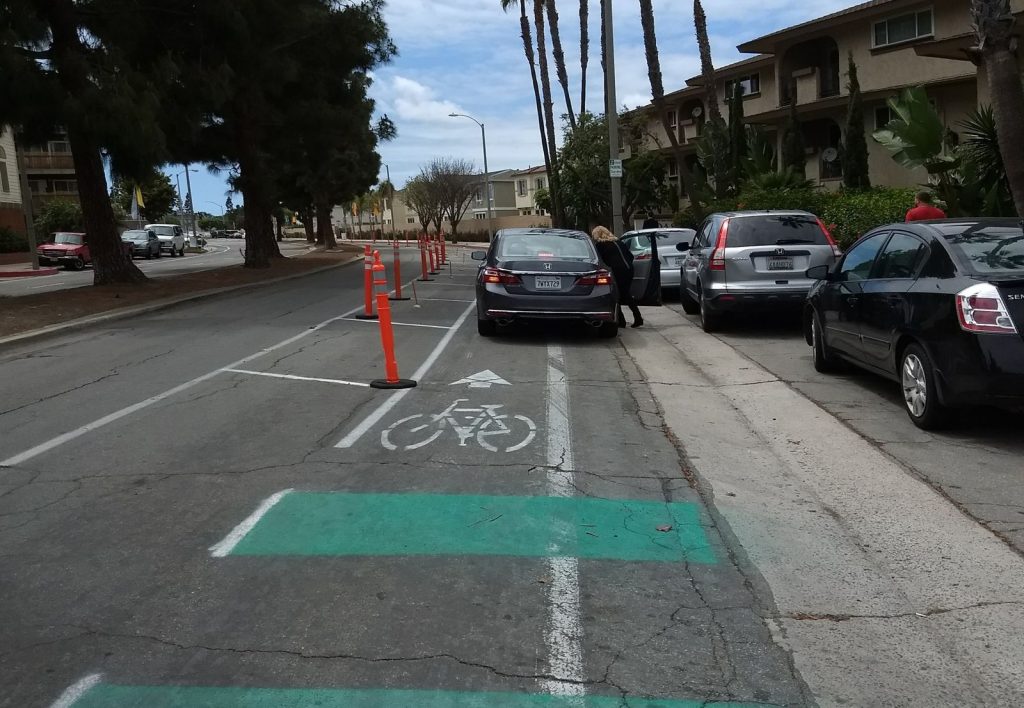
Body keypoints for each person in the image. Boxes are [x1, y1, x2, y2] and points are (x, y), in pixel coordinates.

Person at [591, 226, 643, 328]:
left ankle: (624, 320)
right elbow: (631, 256)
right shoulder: (619, 242)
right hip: (629, 269)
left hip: (617, 271)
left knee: (616, 294)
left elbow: (601, 261)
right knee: (625, 293)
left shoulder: (600, 246)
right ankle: (635, 317)